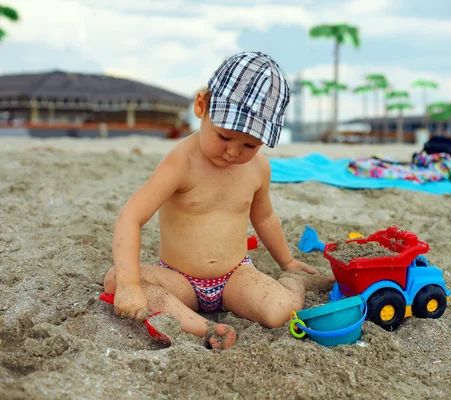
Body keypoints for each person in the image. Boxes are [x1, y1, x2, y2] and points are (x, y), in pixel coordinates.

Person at [102, 52, 334, 350]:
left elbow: (264, 218)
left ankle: (295, 283)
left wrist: (287, 262)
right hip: (179, 280)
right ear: (202, 106)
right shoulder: (180, 162)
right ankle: (206, 328)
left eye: (249, 144)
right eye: (224, 137)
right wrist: (130, 286)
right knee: (116, 280)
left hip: (235, 275)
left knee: (278, 310)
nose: (233, 152)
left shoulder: (258, 168)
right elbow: (130, 217)